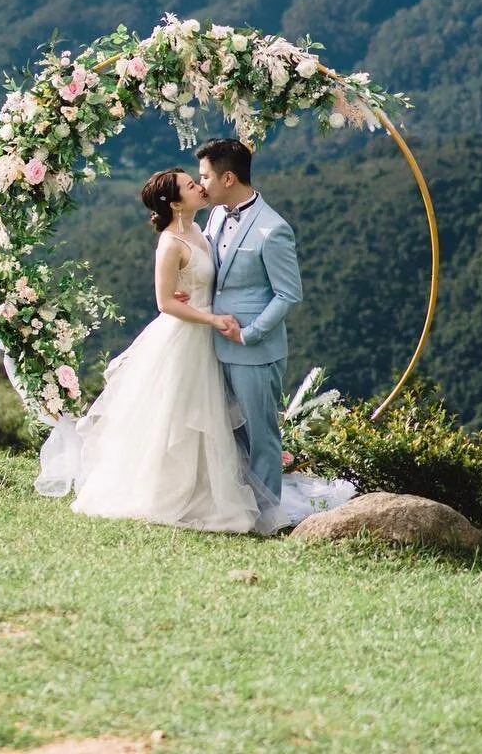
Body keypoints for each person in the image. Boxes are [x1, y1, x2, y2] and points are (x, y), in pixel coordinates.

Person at [62, 167, 271, 533]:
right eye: (191, 186)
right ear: (175, 204)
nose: (199, 187)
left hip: (204, 336)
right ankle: (166, 491)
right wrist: (212, 320)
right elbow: (165, 303)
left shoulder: (201, 228)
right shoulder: (171, 243)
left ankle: (202, 488)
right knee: (179, 416)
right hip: (186, 337)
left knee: (205, 415)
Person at [197, 137, 303, 507]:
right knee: (228, 435)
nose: (201, 185)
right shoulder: (213, 215)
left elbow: (288, 294)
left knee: (261, 436)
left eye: (206, 176)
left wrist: (249, 334)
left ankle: (266, 515)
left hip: (254, 351)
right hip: (213, 346)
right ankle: (235, 508)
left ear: (228, 178)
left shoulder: (273, 229)